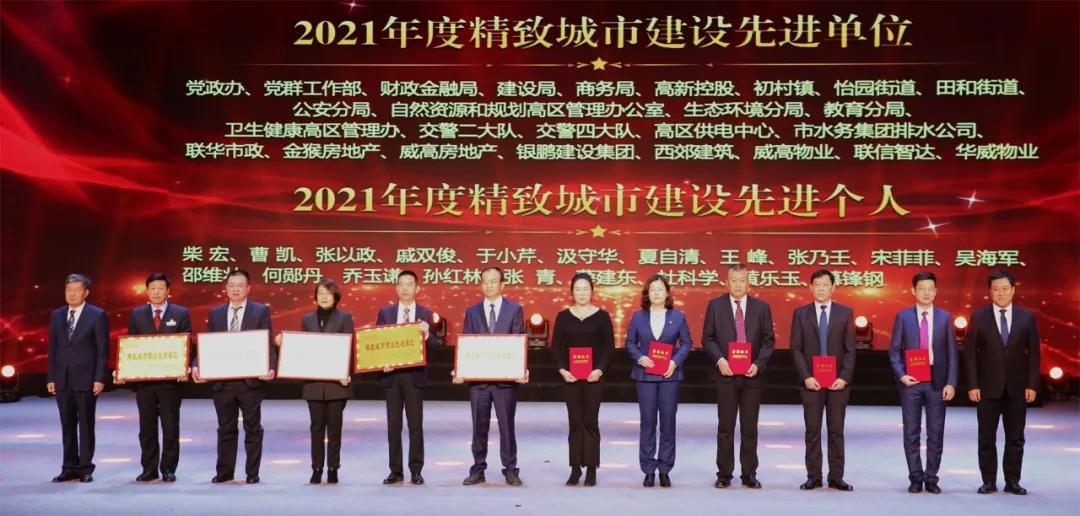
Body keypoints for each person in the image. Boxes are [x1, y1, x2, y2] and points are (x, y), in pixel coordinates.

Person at [192, 269, 276, 484]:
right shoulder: (216, 313)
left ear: (248, 288)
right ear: (226, 288)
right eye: (231, 285)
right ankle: (224, 472)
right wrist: (196, 365)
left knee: (252, 429)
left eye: (240, 285)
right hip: (223, 381)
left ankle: (252, 473)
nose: (235, 289)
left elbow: (267, 342)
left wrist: (271, 367)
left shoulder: (260, 311)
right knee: (225, 429)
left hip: (250, 381)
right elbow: (207, 344)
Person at [964, 270, 1041, 495]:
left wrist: (1032, 384)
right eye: (996, 289)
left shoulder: (1027, 317)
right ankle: (988, 481)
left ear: (1013, 290)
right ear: (989, 291)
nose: (1001, 293)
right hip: (987, 388)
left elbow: (1034, 354)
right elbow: (970, 354)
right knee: (986, 438)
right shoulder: (978, 317)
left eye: (1005, 288)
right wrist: (973, 385)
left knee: (1015, 438)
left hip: (1018, 388)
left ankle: (1012, 481)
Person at [701, 263, 775, 489]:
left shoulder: (762, 307)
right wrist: (720, 360)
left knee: (749, 428)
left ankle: (749, 474)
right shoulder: (715, 306)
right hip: (726, 375)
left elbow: (768, 341)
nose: (738, 284)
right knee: (725, 427)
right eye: (734, 280)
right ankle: (724, 474)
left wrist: (758, 364)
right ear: (726, 282)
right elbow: (708, 339)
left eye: (742, 280)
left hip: (752, 376)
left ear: (748, 283)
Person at [116, 273, 192, 483]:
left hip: (170, 383)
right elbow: (131, 345)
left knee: (170, 427)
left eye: (160, 288)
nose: (156, 292)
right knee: (146, 428)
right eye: (152, 288)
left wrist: (184, 367)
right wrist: (124, 369)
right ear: (147, 291)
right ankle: (149, 469)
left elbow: (187, 344)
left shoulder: (181, 313)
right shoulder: (137, 314)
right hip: (144, 382)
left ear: (168, 291)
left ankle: (168, 469)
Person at [887, 271, 958, 494]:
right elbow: (894, 350)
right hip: (911, 380)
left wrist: (951, 382)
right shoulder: (903, 317)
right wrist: (901, 375)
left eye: (930, 289)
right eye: (921, 289)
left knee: (936, 431)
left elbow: (952, 353)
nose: (926, 293)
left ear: (935, 291)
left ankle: (932, 478)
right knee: (911, 431)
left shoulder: (945, 317)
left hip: (937, 380)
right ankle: (916, 478)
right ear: (913, 291)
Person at [457, 266, 528, 487]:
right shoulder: (472, 311)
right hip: (478, 382)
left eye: (493, 281)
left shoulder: (514, 309)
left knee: (507, 427)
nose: (488, 285)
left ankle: (510, 469)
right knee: (478, 427)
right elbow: (467, 344)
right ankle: (478, 469)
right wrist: (460, 369)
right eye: (485, 281)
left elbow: (518, 341)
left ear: (502, 285)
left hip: (505, 382)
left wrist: (521, 368)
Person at [278, 278, 353, 484]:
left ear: (335, 297)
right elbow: (302, 348)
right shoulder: (308, 318)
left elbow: (350, 349)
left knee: (334, 429)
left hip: (337, 384)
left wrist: (347, 374)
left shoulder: (345, 317)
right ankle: (317, 468)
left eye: (328, 293)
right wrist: (284, 344)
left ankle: (333, 468)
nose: (324, 297)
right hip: (313, 384)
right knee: (316, 427)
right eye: (320, 293)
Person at [790, 269, 857, 491]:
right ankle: (814, 476)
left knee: (836, 431)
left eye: (825, 284)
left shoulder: (845, 313)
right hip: (811, 382)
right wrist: (806, 377)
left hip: (838, 383)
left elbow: (850, 349)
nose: (821, 288)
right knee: (812, 431)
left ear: (833, 288)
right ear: (810, 287)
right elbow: (796, 348)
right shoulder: (801, 313)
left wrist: (844, 377)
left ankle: (836, 476)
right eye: (817, 284)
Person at [625, 273, 692, 488]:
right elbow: (629, 343)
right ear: (647, 293)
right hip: (645, 376)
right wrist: (640, 357)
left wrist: (675, 362)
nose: (656, 293)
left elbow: (687, 343)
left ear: (667, 293)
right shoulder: (638, 317)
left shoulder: (678, 317)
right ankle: (648, 469)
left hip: (669, 376)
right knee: (647, 423)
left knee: (668, 423)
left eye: (660, 289)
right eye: (652, 289)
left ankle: (664, 469)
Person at [550, 272, 614, 487]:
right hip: (571, 378)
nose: (582, 293)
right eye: (577, 289)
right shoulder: (563, 316)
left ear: (592, 291)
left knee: (590, 422)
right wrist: (562, 369)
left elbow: (609, 348)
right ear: (572, 292)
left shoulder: (602, 316)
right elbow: (556, 348)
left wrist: (600, 370)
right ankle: (575, 468)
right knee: (575, 422)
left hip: (594, 377)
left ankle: (592, 468)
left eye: (585, 289)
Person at [374, 270, 438, 486]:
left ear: (417, 288)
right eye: (401, 284)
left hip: (414, 377)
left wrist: (426, 333)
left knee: (415, 425)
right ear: (396, 287)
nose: (405, 288)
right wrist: (381, 362)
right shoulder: (386, 312)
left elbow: (435, 346)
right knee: (393, 425)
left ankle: (416, 470)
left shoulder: (426, 313)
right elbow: (377, 342)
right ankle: (395, 470)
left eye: (409, 284)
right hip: (391, 376)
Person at [47, 273, 109, 483]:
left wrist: (100, 378)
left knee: (86, 425)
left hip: (87, 379)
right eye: (68, 290)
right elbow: (53, 348)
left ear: (86, 292)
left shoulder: (97, 315)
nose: (71, 294)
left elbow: (102, 350)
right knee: (67, 425)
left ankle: (85, 468)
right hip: (62, 378)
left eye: (76, 290)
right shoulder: (57, 315)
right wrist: (51, 377)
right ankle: (68, 467)